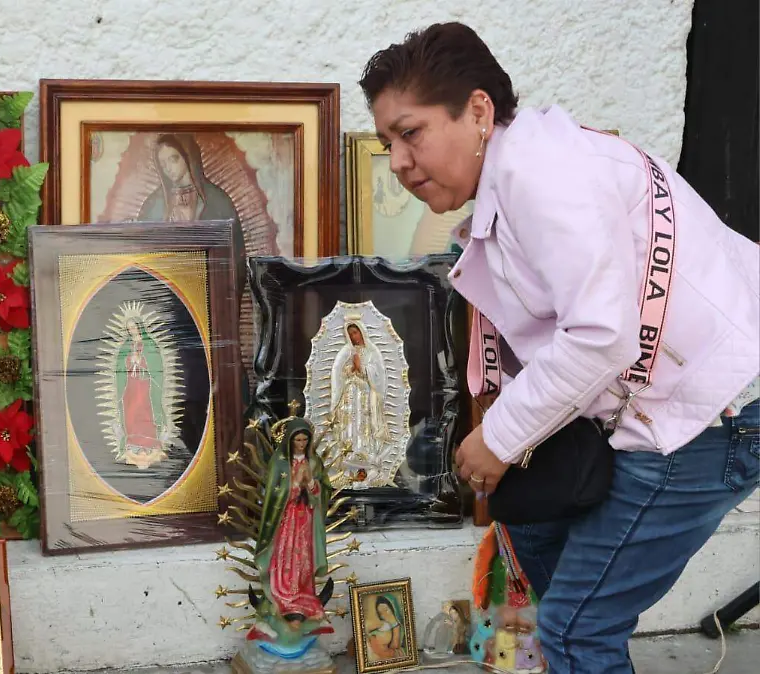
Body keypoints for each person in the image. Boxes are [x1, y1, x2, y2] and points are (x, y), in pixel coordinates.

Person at [360, 22, 759, 673]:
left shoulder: (541, 180)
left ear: (480, 111)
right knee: (549, 562)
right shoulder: (526, 174)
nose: (398, 161)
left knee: (576, 628)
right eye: (387, 143)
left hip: (710, 412)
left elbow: (601, 335)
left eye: (411, 133)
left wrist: (499, 437)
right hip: (676, 404)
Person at [254, 418, 332, 625]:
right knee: (285, 554)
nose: (301, 444)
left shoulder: (314, 462)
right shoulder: (280, 463)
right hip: (286, 519)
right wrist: (296, 484)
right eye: (297, 439)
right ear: (289, 440)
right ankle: (282, 595)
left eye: (305, 440)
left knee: (304, 557)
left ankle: (303, 594)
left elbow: (323, 492)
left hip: (306, 518)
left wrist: (313, 485)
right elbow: (273, 494)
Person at [137, 134, 238, 223]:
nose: (167, 168)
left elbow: (231, 241)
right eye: (163, 164)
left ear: (188, 157)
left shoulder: (217, 200)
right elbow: (142, 241)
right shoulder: (154, 203)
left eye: (173, 160)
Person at [328, 322, 390, 461]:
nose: (353, 336)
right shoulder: (348, 350)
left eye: (355, 332)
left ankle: (365, 451)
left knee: (364, 418)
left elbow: (378, 373)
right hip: (350, 391)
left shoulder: (372, 351)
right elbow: (340, 371)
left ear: (362, 331)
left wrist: (361, 367)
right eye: (350, 334)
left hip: (366, 392)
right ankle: (349, 450)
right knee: (350, 418)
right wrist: (351, 369)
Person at [112, 317, 169, 468]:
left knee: (145, 410)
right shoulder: (126, 346)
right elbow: (120, 366)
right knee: (131, 412)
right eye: (129, 328)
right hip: (130, 384)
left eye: (133, 327)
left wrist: (141, 360)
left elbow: (156, 365)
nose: (132, 330)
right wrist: (130, 360)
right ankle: (133, 442)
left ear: (140, 327)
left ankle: (149, 442)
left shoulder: (149, 344)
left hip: (144, 384)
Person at [365, 595, 407, 660]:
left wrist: (394, 624)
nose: (384, 615)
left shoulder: (398, 626)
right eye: (381, 613)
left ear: (392, 609)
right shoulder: (382, 624)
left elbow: (394, 646)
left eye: (386, 610)